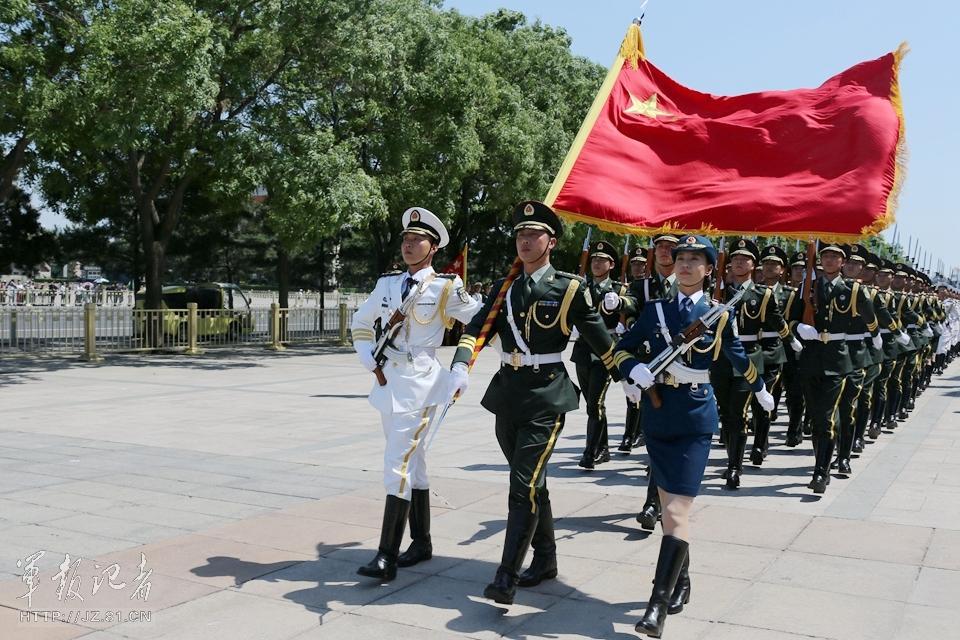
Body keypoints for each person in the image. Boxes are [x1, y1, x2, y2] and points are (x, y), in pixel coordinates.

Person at [448, 200, 621, 605]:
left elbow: (601, 340)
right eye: (520, 235)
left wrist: (631, 380)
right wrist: (460, 366)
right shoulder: (505, 285)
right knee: (532, 483)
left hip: (546, 395)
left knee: (521, 483)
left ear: (551, 241)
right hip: (508, 393)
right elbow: (477, 328)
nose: (525, 241)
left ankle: (506, 574)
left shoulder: (568, 287)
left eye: (533, 234)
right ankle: (545, 558)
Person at [615, 235, 774, 637]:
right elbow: (622, 348)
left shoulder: (718, 315)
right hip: (658, 414)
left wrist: (758, 389)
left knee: (676, 512)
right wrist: (632, 370)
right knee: (670, 511)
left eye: (694, 260)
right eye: (680, 257)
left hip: (696, 416)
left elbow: (738, 355)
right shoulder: (656, 310)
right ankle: (681, 579)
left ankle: (657, 606)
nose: (684, 265)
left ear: (708, 269)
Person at [350, 207, 481, 581]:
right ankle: (421, 542)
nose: (408, 245)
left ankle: (385, 557)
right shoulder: (387, 285)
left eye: (417, 240)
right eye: (406, 239)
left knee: (398, 465)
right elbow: (360, 322)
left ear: (433, 247)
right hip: (389, 381)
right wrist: (368, 362)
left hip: (422, 383)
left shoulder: (445, 287)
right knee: (415, 462)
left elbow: (482, 320)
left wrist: (460, 365)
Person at [795, 242, 879, 494]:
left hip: (838, 360)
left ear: (842, 262)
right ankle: (822, 459)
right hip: (811, 359)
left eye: (835, 257)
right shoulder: (808, 287)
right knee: (814, 415)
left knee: (828, 416)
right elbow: (791, 316)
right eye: (826, 256)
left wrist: (876, 337)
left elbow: (870, 316)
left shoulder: (852, 290)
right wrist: (798, 328)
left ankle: (821, 472)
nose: (830, 260)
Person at [616, 234, 679, 530]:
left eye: (671, 247)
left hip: (685, 373)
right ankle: (652, 503)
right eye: (660, 247)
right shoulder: (643, 285)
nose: (665, 251)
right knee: (655, 437)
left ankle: (669, 495)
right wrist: (616, 302)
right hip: (650, 371)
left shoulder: (691, 283)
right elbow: (630, 306)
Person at [572, 240, 624, 469]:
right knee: (592, 404)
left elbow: (631, 308)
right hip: (583, 350)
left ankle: (590, 452)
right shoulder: (580, 287)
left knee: (595, 403)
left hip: (605, 351)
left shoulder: (619, 290)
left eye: (601, 260)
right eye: (594, 259)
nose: (596, 263)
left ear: (611, 264)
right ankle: (603, 448)